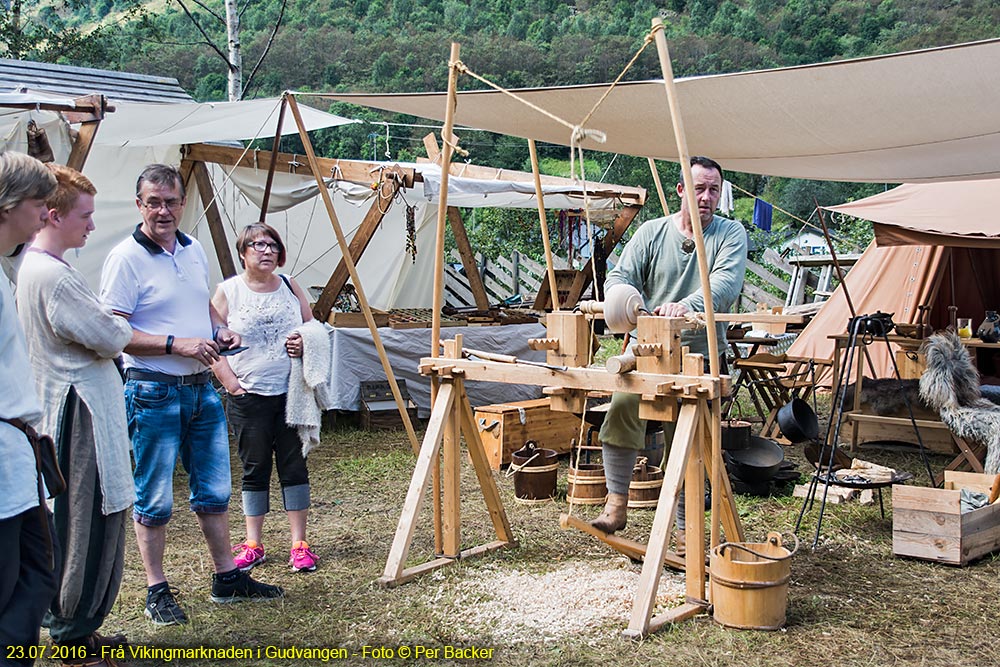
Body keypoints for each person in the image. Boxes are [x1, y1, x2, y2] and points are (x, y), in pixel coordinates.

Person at [99, 164, 283, 627]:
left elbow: (198, 302)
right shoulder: (124, 258)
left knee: (215, 490)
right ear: (139, 205)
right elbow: (112, 331)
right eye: (153, 202)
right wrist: (175, 345)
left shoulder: (193, 247)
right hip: (152, 389)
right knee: (155, 496)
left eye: (171, 202)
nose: (163, 210)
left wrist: (219, 328)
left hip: (200, 389)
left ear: (183, 204)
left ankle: (227, 578)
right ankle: (155, 589)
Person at [591, 156, 747, 549]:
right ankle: (616, 503)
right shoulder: (651, 233)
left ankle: (683, 530)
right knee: (621, 409)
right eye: (698, 189)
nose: (707, 197)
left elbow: (724, 284)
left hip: (700, 355)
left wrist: (687, 305)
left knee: (688, 440)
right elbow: (619, 275)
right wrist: (626, 300)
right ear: (681, 191)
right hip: (646, 352)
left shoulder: (730, 234)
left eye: (714, 189)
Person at [17, 165, 132, 665]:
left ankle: (77, 630)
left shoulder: (35, 267)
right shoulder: (51, 276)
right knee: (86, 519)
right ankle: (72, 632)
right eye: (84, 216)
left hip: (68, 405)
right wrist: (116, 326)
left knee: (80, 519)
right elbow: (111, 335)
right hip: (77, 413)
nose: (91, 225)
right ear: (54, 215)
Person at [210, 223, 319, 573]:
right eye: (257, 245)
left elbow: (313, 326)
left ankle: (299, 544)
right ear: (243, 252)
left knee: (294, 466)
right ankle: (253, 543)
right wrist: (230, 382)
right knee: (254, 467)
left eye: (272, 245)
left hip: (290, 395)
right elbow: (209, 338)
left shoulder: (289, 286)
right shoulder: (229, 291)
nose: (266, 250)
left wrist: (305, 342)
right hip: (248, 395)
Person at [0, 151, 60, 666]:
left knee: (37, 575)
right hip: (0, 454)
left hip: (18, 452)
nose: (47, 214)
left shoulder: (7, 269)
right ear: (8, 205)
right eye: (40, 204)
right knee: (10, 584)